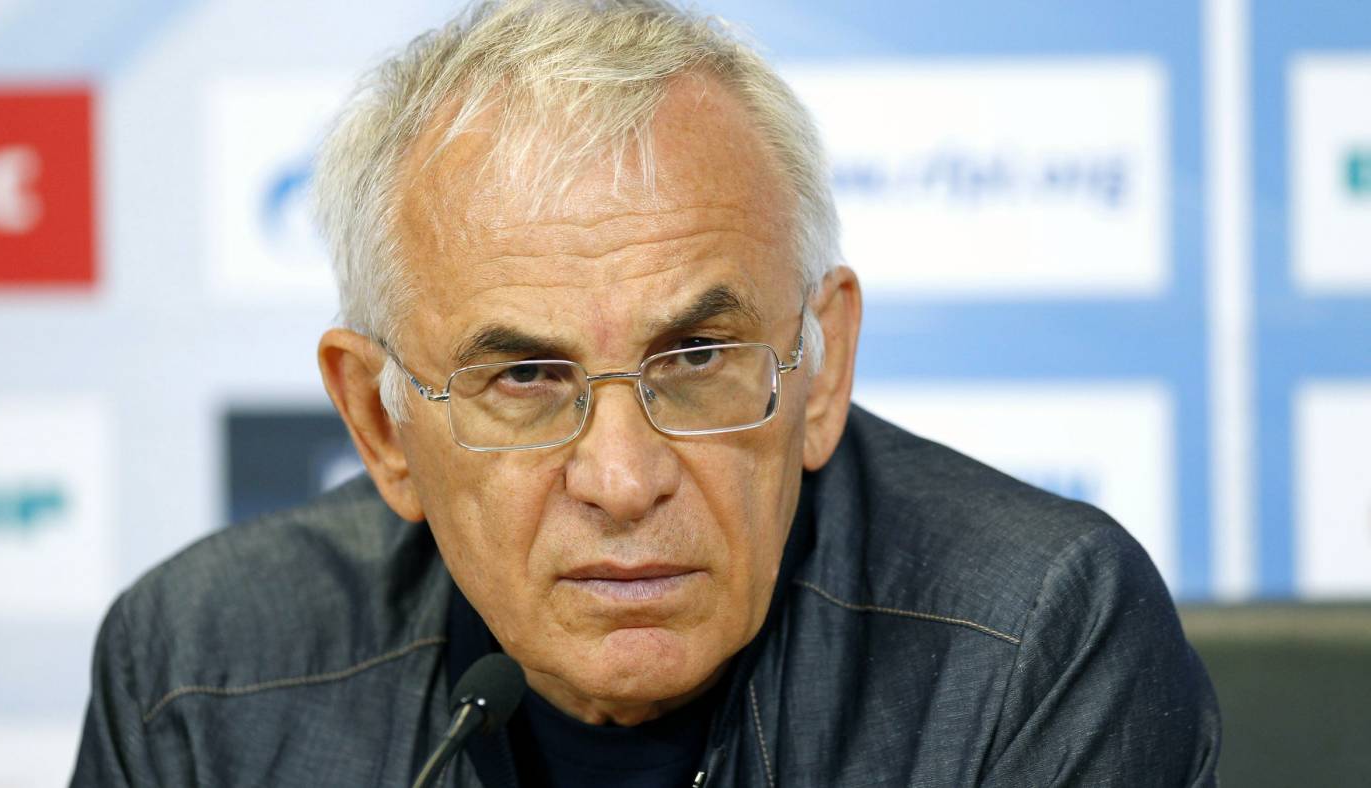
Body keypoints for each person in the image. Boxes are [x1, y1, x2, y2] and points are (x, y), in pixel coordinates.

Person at [70, 1, 1220, 785]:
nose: (622, 480)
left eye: (696, 357)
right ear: (381, 423)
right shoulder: (202, 674)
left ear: (820, 367)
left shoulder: (1031, 641)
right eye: (525, 376)